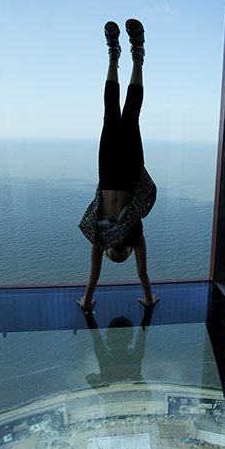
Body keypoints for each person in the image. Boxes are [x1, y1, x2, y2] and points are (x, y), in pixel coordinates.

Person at [77, 19, 159, 311]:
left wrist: (87, 301)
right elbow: (141, 274)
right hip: (122, 174)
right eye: (119, 253)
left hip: (110, 174)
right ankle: (136, 54)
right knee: (125, 113)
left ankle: (117, 55)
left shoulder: (101, 237)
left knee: (113, 113)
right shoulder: (132, 234)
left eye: (114, 253)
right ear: (122, 250)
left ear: (110, 251)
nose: (116, 251)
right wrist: (148, 300)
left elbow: (95, 275)